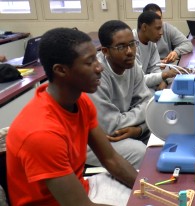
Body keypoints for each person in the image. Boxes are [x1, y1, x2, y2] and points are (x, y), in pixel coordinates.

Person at [6, 27, 137, 206]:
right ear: (61, 70)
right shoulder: (41, 134)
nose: (99, 68)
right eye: (90, 62)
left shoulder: (81, 101)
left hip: (82, 191)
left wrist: (146, 190)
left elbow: (110, 159)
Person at [86, 20, 152, 169]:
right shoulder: (97, 75)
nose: (130, 51)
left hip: (125, 128)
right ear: (105, 51)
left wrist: (139, 129)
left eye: (132, 44)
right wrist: (140, 120)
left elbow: (147, 101)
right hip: (96, 139)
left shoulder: (131, 64)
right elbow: (111, 126)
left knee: (163, 133)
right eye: (121, 46)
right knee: (140, 152)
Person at [132, 11, 180, 92]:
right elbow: (138, 81)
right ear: (144, 27)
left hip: (143, 82)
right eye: (158, 28)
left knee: (174, 81)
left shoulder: (151, 42)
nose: (161, 33)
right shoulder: (130, 45)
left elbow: (155, 68)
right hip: (135, 87)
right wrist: (165, 75)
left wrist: (162, 80)